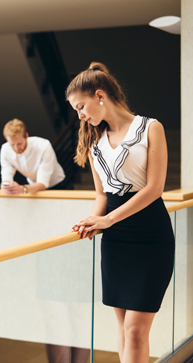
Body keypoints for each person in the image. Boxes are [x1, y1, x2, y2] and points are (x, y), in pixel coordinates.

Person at [68, 62, 174, 363]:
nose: (80, 115)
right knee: (123, 327)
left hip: (151, 237)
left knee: (136, 329)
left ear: (99, 95)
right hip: (115, 243)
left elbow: (154, 188)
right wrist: (93, 220)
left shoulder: (150, 128)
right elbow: (102, 194)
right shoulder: (94, 143)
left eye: (81, 106)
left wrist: (107, 220)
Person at [0, 119, 65, 195]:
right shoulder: (5, 149)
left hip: (58, 185)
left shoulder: (43, 146)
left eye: (19, 144)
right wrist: (6, 186)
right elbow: (6, 176)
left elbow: (43, 183)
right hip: (31, 188)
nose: (16, 148)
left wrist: (21, 189)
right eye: (12, 145)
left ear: (26, 136)